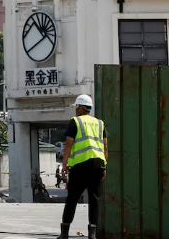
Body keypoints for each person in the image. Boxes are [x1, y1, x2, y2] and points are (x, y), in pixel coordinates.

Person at [59, 93, 107, 239]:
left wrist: (64, 164)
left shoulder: (75, 122)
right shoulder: (100, 123)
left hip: (80, 168)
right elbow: (105, 146)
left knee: (72, 200)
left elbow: (68, 144)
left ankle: (64, 233)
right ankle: (92, 234)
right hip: (97, 167)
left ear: (80, 107)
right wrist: (104, 166)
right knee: (94, 201)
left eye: (76, 107)